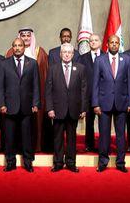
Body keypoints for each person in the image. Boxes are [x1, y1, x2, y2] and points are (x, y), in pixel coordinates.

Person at [0, 38, 40, 172]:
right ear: (12, 47)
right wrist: (2, 104)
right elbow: (0, 87)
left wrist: (35, 103)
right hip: (9, 107)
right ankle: (10, 162)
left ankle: (28, 162)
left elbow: (36, 85)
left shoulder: (32, 63)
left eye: (19, 45)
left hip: (27, 106)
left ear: (24, 47)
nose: (17, 48)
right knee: (9, 137)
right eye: (15, 45)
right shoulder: (4, 64)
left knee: (27, 136)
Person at [92, 35, 130, 173]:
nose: (114, 45)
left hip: (122, 103)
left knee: (121, 135)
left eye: (117, 43)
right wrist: (95, 104)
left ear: (119, 45)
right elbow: (95, 84)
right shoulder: (100, 60)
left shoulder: (127, 59)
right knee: (104, 134)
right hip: (104, 104)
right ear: (107, 44)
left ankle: (120, 162)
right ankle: (103, 162)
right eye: (112, 42)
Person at [45, 43, 88, 172]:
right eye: (64, 52)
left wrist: (83, 108)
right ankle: (58, 162)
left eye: (69, 52)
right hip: (57, 110)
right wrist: (50, 108)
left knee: (72, 138)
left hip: (74, 110)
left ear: (73, 54)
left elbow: (84, 90)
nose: (67, 54)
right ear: (60, 54)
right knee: (57, 137)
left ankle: (70, 162)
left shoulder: (80, 68)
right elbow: (48, 90)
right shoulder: (53, 68)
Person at [6, 28, 48, 152]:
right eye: (23, 35)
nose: (25, 38)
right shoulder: (10, 52)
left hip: (34, 97)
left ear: (32, 37)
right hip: (14, 99)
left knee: (32, 125)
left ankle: (34, 148)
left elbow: (44, 76)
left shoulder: (40, 53)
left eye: (28, 35)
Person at [77, 33, 101, 152]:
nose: (93, 42)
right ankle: (89, 145)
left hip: (103, 97)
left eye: (96, 40)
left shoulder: (106, 56)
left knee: (103, 124)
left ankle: (103, 145)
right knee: (89, 123)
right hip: (88, 96)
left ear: (100, 42)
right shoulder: (82, 58)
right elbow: (81, 79)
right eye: (91, 41)